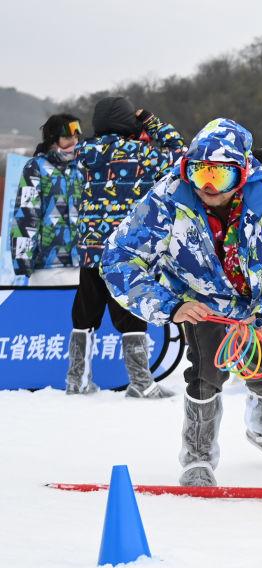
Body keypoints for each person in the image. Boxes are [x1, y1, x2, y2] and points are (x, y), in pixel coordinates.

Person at [101, 118, 262, 487]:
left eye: (222, 176)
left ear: (243, 173)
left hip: (256, 302)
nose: (210, 187)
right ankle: (197, 456)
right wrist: (169, 305)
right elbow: (119, 257)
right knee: (205, 373)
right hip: (200, 301)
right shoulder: (166, 200)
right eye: (201, 175)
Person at [70, 97, 185, 397]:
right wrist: (151, 121)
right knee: (131, 313)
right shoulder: (142, 154)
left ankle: (77, 381)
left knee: (84, 314)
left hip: (90, 248)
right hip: (124, 249)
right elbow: (181, 154)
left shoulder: (82, 153)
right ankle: (140, 383)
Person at [10, 114, 83, 286]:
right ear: (53, 138)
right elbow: (27, 213)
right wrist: (23, 262)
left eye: (76, 136)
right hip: (47, 266)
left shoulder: (82, 166)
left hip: (81, 263)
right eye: (67, 137)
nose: (74, 142)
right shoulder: (36, 167)